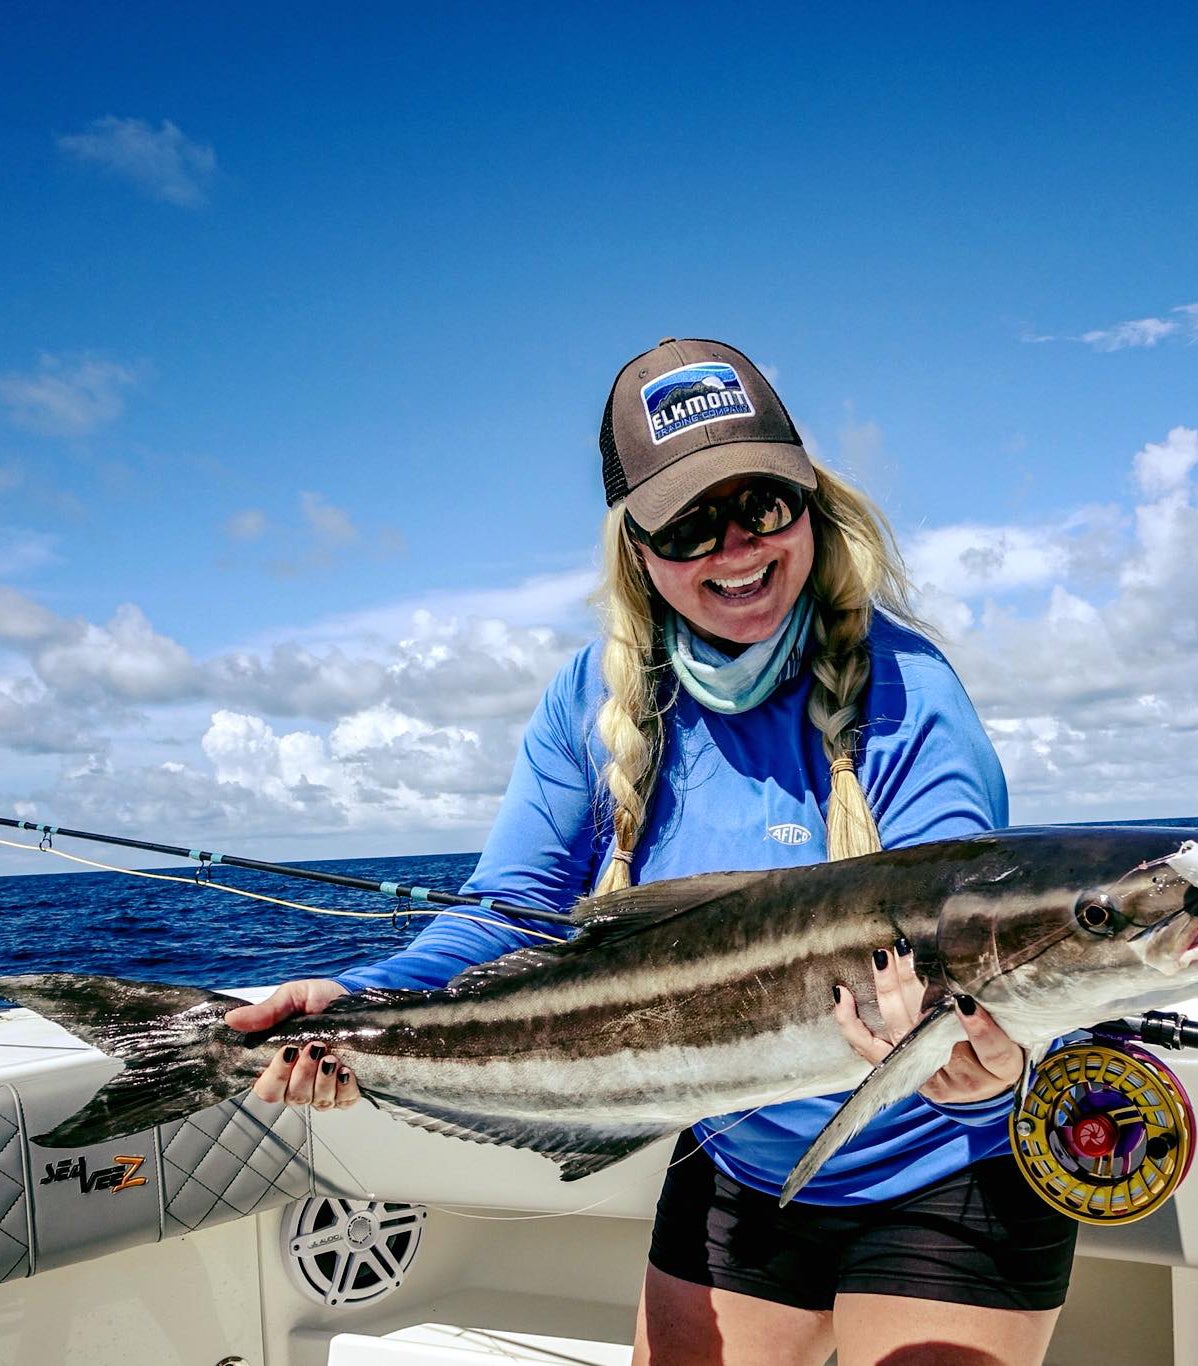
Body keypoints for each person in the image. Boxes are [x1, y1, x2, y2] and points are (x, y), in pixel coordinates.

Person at [225, 339, 1076, 1365]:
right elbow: (504, 910)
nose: (733, 548)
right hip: (742, 1158)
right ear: (635, 547)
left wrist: (979, 1063)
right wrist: (356, 1003)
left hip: (946, 1159)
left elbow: (959, 900)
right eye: (685, 523)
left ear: (810, 501)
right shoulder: (585, 699)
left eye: (761, 503)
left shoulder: (907, 688)